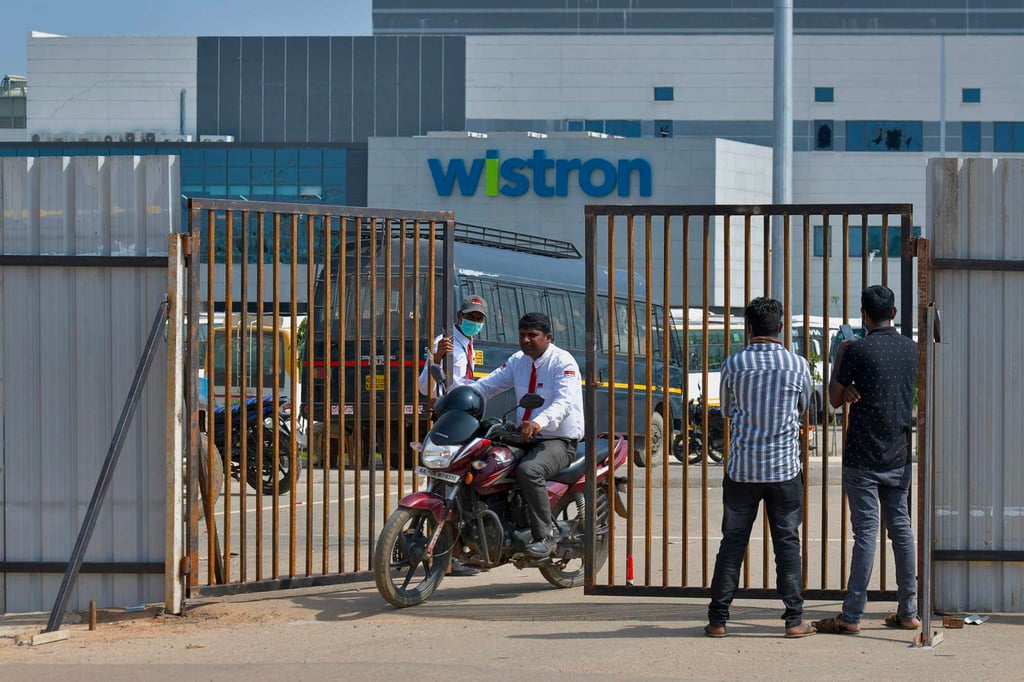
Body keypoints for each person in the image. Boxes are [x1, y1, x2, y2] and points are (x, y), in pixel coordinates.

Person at [705, 297, 815, 639]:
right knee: (787, 542)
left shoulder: (733, 365)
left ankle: (718, 620)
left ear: (748, 327)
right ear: (781, 327)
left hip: (742, 470)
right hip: (784, 470)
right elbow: (804, 406)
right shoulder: (798, 365)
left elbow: (725, 410)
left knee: (732, 543)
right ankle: (794, 620)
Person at [813, 285, 919, 635]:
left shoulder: (854, 349)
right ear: (894, 312)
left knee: (866, 535)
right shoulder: (912, 350)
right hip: (899, 455)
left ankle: (852, 616)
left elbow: (833, 399)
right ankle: (909, 610)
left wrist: (843, 371)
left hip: (861, 457)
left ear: (863, 315)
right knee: (901, 531)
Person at [473, 312, 584, 558]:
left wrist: (538, 421)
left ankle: (545, 536)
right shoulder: (517, 361)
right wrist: (460, 396)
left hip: (558, 439)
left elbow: (564, 402)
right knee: (483, 462)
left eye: (532, 335)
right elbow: (488, 385)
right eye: (522, 335)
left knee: (529, 471)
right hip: (524, 436)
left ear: (548, 337)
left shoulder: (563, 363)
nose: (525, 340)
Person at [418, 294, 487, 396]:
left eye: (479, 319)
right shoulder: (443, 343)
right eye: (470, 317)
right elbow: (424, 388)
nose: (475, 322)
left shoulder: (468, 344)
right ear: (459, 316)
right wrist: (437, 359)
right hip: (447, 407)